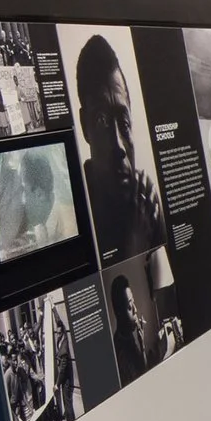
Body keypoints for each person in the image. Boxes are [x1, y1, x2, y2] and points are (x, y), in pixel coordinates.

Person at [76, 36, 164, 262]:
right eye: (101, 121)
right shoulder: (78, 207)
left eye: (124, 123)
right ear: (85, 126)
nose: (118, 145)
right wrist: (135, 247)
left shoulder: (145, 196)